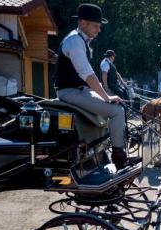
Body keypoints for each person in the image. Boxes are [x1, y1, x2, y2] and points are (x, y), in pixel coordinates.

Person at [54, 3, 137, 170]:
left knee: (117, 104)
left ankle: (101, 151)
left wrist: (107, 96)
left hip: (79, 90)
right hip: (69, 91)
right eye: (96, 26)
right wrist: (106, 97)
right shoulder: (74, 41)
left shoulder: (80, 41)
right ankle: (119, 158)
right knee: (116, 111)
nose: (99, 30)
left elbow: (90, 76)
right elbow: (87, 74)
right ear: (83, 23)